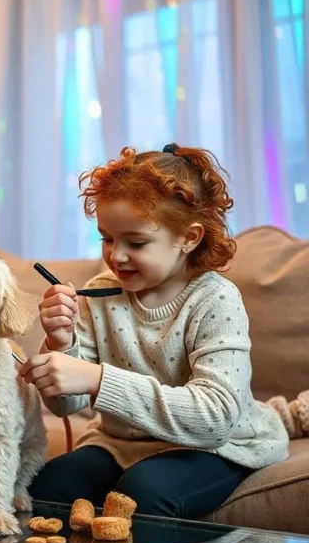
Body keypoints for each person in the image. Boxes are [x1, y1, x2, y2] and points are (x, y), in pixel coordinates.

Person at [23, 143, 289, 519]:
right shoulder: (97, 294)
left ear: (189, 238)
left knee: (142, 494)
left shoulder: (215, 300)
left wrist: (98, 379)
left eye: (136, 242)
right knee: (50, 487)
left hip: (218, 446)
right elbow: (67, 407)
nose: (116, 256)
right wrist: (61, 342)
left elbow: (215, 419)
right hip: (121, 444)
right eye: (107, 238)